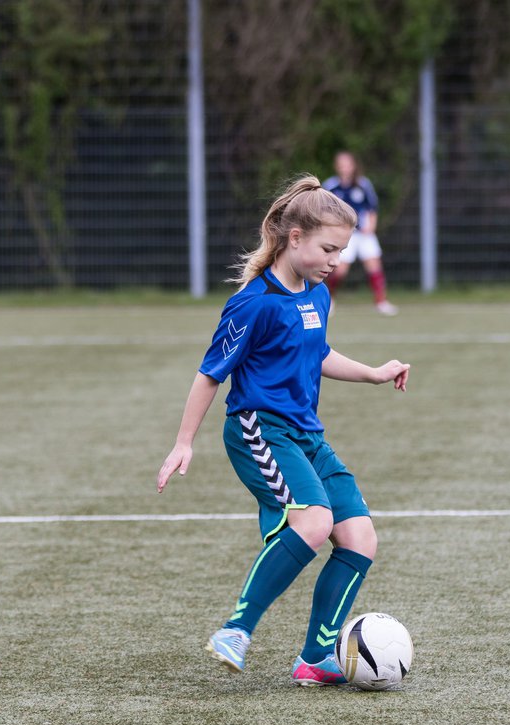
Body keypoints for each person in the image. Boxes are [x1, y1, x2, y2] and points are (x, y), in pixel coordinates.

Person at [156, 175, 411, 685]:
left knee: (360, 536)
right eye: (328, 249)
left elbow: (316, 355)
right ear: (294, 237)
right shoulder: (253, 303)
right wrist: (183, 442)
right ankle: (237, 629)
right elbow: (211, 373)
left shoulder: (316, 295)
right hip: (258, 428)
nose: (336, 261)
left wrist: (373, 373)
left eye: (342, 250)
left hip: (306, 434)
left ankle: (316, 657)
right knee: (314, 522)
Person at [322, 151, 398, 316]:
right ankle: (328, 300)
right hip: (343, 236)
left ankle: (381, 302)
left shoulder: (363, 184)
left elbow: (372, 208)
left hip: (363, 234)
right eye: (341, 164)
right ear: (337, 167)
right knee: (340, 270)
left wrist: (371, 226)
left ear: (353, 165)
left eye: (347, 164)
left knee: (374, 265)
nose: (345, 168)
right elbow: (323, 211)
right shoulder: (330, 186)